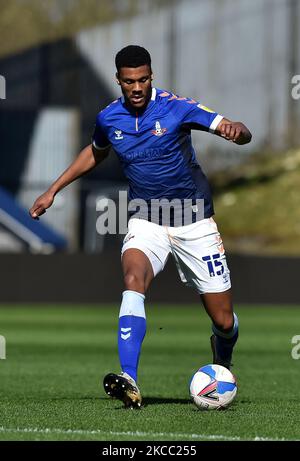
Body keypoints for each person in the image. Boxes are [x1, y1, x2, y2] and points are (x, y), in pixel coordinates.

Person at [30, 45, 252, 409]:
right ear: (119, 80)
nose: (137, 87)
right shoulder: (109, 118)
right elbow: (96, 151)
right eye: (130, 81)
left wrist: (236, 131)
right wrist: (53, 189)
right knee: (133, 279)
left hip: (194, 222)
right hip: (146, 219)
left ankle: (222, 362)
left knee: (224, 320)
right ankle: (129, 378)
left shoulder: (176, 107)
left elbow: (236, 130)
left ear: (152, 77)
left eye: (143, 80)